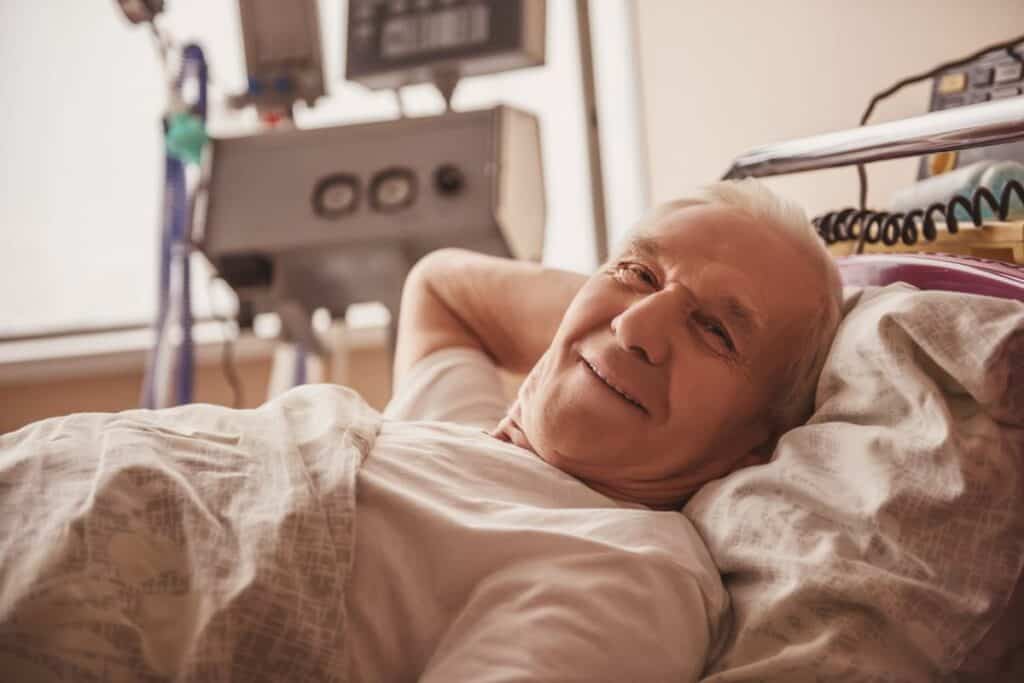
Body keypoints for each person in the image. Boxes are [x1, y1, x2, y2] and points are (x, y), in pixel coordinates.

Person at [0, 179, 843, 682]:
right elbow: (442, 286)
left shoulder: (626, 569)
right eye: (637, 270)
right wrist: (602, 320)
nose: (641, 327)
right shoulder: (459, 433)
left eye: (718, 332)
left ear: (756, 447)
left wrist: (624, 315)